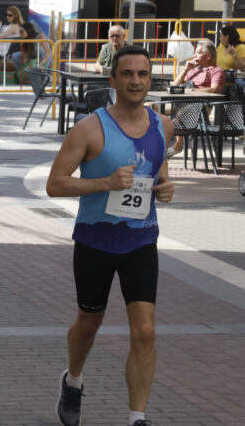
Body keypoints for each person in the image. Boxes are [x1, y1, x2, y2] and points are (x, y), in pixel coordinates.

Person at [46, 46, 175, 426]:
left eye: (143, 74)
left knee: (146, 331)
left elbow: (159, 173)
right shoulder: (89, 129)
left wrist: (166, 189)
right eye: (128, 74)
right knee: (88, 324)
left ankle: (137, 418)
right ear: (113, 79)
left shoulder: (163, 126)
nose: (136, 81)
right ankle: (73, 380)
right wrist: (103, 182)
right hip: (95, 241)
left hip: (141, 240)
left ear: (151, 79)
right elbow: (54, 184)